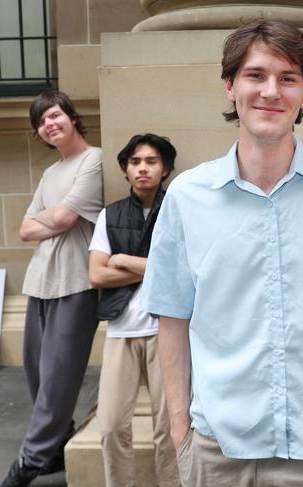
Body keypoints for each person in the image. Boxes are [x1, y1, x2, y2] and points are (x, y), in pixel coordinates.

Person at [140, 19, 303, 487]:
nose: (271, 91)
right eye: (256, 75)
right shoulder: (187, 196)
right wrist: (180, 431)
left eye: (288, 77)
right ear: (230, 87)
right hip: (218, 448)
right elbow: (172, 316)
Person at [0, 91, 103, 487]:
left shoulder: (93, 160)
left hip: (75, 283)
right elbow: (25, 229)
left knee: (58, 375)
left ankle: (28, 461)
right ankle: (58, 443)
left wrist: (51, 219)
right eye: (41, 122)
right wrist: (52, 219)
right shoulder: (50, 174)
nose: (49, 124)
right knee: (36, 371)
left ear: (72, 117)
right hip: (40, 282)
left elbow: (61, 218)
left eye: (54, 115)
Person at [88, 134, 180, 487]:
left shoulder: (178, 210)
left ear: (165, 168)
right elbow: (96, 274)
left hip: (166, 332)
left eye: (152, 161)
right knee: (111, 425)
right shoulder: (109, 216)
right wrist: (152, 266)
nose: (143, 167)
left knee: (169, 426)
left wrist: (124, 259)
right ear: (126, 169)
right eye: (136, 161)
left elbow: (180, 272)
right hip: (120, 331)